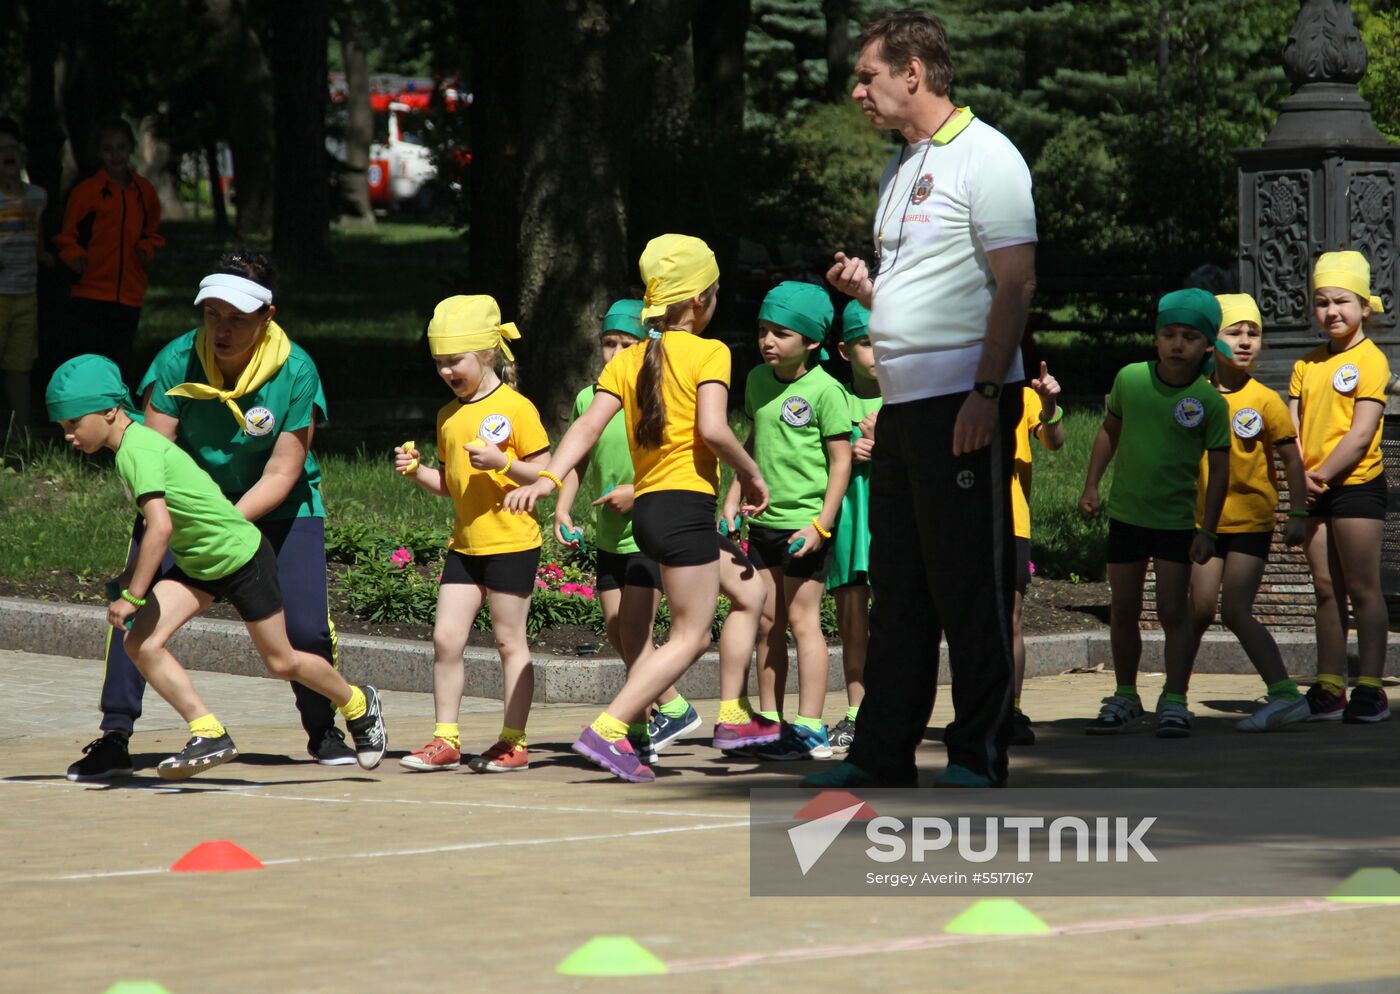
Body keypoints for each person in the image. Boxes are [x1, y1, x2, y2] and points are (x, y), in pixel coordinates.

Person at [813, 11, 1038, 788]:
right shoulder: (902, 165)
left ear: (914, 73)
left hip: (964, 404)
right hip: (905, 409)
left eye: (869, 76)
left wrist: (985, 392)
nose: (857, 92)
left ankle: (978, 750)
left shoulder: (989, 157)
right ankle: (882, 754)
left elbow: (1015, 283)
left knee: (968, 585)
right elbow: (931, 287)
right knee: (899, 590)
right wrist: (869, 289)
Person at [65, 250, 355, 780]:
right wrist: (187, 525)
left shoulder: (297, 370)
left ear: (268, 316)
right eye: (212, 314)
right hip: (186, 509)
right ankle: (115, 735)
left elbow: (282, 473)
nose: (222, 329)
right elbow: (151, 453)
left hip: (281, 508)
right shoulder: (176, 360)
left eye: (238, 319)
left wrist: (228, 525)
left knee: (307, 632)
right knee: (130, 610)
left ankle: (325, 728)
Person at [505, 234, 772, 783]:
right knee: (691, 636)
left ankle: (731, 717)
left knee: (750, 592)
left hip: (652, 512)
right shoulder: (709, 351)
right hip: (683, 507)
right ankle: (609, 728)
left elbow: (584, 425)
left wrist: (552, 476)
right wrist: (750, 473)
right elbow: (714, 429)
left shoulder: (630, 358)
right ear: (700, 300)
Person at [395, 295, 550, 773]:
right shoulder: (448, 417)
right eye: (439, 363)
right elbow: (451, 484)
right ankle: (446, 739)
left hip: (512, 543)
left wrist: (504, 463)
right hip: (465, 546)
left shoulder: (517, 408)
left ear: (485, 355)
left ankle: (513, 741)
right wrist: (417, 472)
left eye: (454, 361)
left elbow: (546, 472)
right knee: (445, 639)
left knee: (509, 642)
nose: (445, 371)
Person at [553, 298, 702, 761]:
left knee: (636, 633)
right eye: (608, 343)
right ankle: (655, 719)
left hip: (647, 532)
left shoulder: (659, 393)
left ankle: (646, 722)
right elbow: (579, 457)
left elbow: (675, 461)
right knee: (619, 632)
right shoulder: (590, 397)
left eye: (627, 342)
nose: (615, 352)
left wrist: (635, 492)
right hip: (607, 537)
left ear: (647, 344)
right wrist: (562, 507)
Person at [1078, 289, 1231, 738]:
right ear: (1156, 338)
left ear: (1207, 345)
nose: (1177, 344)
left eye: (1189, 336)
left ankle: (1176, 699)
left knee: (1171, 612)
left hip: (1176, 524)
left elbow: (1220, 473)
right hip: (1126, 517)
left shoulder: (1211, 402)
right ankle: (1125, 694)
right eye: (1168, 334)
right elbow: (1109, 432)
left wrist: (1209, 530)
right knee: (1122, 609)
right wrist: (1091, 485)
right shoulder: (1130, 379)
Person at [724, 281, 851, 760]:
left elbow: (840, 463)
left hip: (806, 528)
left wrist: (820, 525)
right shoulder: (757, 380)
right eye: (762, 331)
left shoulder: (826, 391)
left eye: (781, 333)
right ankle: (769, 723)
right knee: (766, 623)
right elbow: (752, 444)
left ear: (813, 342)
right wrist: (734, 496)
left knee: (803, 622)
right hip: (763, 524)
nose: (768, 341)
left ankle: (810, 726)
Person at [1187, 294, 1311, 731]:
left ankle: (1284, 695)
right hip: (1204, 524)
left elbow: (1292, 460)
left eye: (1253, 333)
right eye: (1234, 332)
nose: (1245, 342)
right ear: (1210, 341)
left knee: (1235, 610)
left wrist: (1297, 513)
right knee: (1198, 611)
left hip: (1251, 523)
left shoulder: (1265, 400)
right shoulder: (1193, 396)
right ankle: (1172, 698)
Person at [1290, 252, 1392, 723]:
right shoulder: (1305, 365)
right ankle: (1329, 683)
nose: (1332, 312)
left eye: (1342, 302)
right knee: (1326, 589)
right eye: (1323, 302)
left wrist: (1318, 477)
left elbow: (1360, 434)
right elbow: (1291, 429)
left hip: (1354, 485)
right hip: (1313, 487)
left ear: (1364, 307)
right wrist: (1300, 478)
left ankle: (1370, 686)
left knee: (1363, 586)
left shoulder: (1371, 360)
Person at [52, 119, 164, 377]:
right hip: (90, 290)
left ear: (131, 149)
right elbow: (67, 235)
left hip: (130, 292)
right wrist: (75, 256)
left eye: (121, 147)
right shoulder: (86, 192)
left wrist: (146, 248)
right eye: (108, 149)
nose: (116, 155)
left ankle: (116, 410)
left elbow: (153, 232)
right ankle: (88, 411)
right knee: (90, 357)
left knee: (121, 357)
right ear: (99, 152)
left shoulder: (144, 191)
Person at [824, 300, 881, 755]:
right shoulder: (831, 398)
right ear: (845, 350)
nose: (879, 351)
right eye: (867, 343)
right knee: (852, 625)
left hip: (895, 528)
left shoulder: (913, 400)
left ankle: (892, 710)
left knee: (898, 622)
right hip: (847, 525)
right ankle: (858, 711)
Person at [1008, 358, 1066, 745]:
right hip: (957, 523)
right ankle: (975, 709)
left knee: (1010, 619)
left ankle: (1010, 709)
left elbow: (1054, 440)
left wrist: (1048, 405)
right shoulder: (947, 394)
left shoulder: (1024, 398)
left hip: (1011, 522)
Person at [0, 118, 50, 437]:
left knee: (20, 364)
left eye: (12, 148)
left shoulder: (36, 196)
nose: (7, 154)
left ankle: (22, 431)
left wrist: (43, 255)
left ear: (22, 156)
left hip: (26, 292)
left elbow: (37, 235)